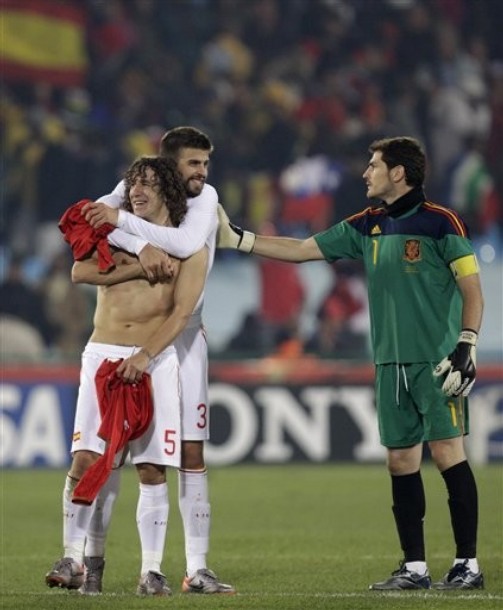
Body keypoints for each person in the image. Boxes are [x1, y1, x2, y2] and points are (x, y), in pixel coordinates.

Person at [217, 136, 485, 591]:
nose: (365, 173)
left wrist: (467, 343)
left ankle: (467, 565)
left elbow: (472, 290)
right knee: (400, 461)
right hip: (389, 363)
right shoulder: (367, 225)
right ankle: (415, 569)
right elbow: (302, 249)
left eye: (374, 165)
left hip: (438, 362)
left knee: (446, 454)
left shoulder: (442, 222)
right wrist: (239, 239)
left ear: (398, 172)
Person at [71, 126, 234, 595]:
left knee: (190, 451)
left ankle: (196, 568)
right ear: (167, 166)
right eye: (193, 163)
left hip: (185, 335)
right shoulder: (135, 191)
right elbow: (91, 218)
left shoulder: (204, 200)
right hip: (133, 341)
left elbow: (181, 245)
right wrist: (128, 233)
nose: (202, 172)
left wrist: (123, 228)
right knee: (117, 452)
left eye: (205, 163)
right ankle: (93, 561)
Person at [46, 155, 210, 596]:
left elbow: (181, 313)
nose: (136, 191)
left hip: (154, 360)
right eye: (133, 182)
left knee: (152, 468)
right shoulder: (113, 231)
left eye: (148, 184)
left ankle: (151, 571)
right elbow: (79, 270)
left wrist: (144, 355)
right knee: (85, 459)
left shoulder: (189, 246)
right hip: (102, 353)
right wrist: (140, 261)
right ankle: (73, 557)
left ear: (168, 192)